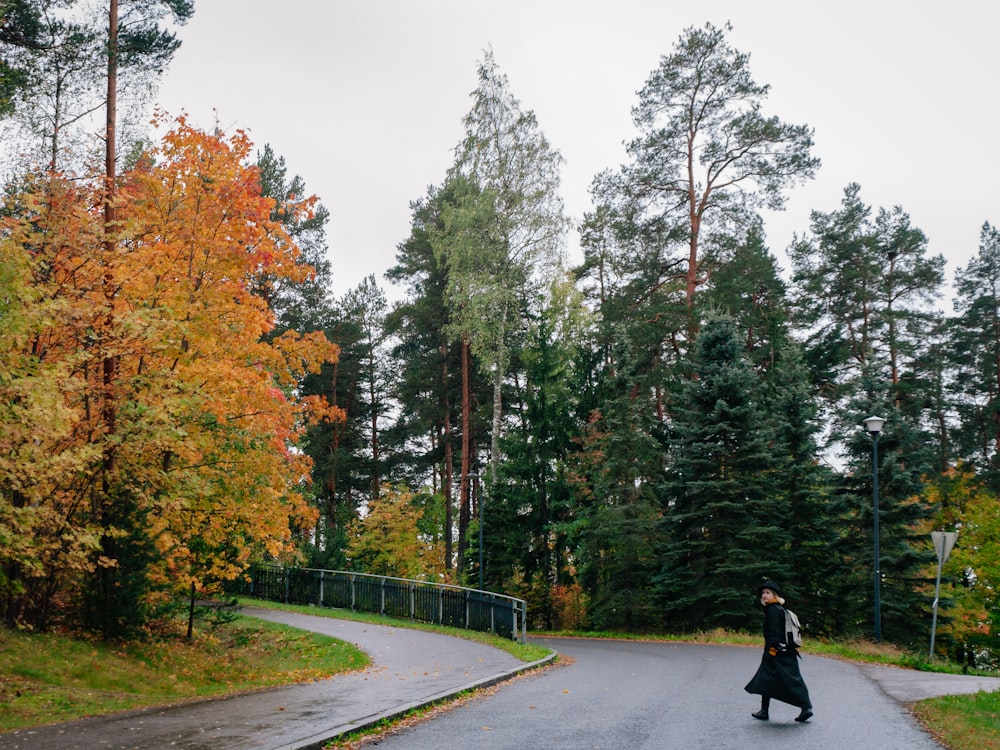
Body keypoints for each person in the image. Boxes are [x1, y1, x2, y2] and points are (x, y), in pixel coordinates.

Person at [744, 580, 813, 722]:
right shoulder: (775, 609)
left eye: (768, 593)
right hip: (782, 651)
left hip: (777, 652)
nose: (764, 595)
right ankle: (764, 711)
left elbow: (775, 632)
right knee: (767, 680)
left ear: (775, 595)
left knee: (791, 680)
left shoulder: (773, 610)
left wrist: (772, 649)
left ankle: (806, 707)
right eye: (763, 593)